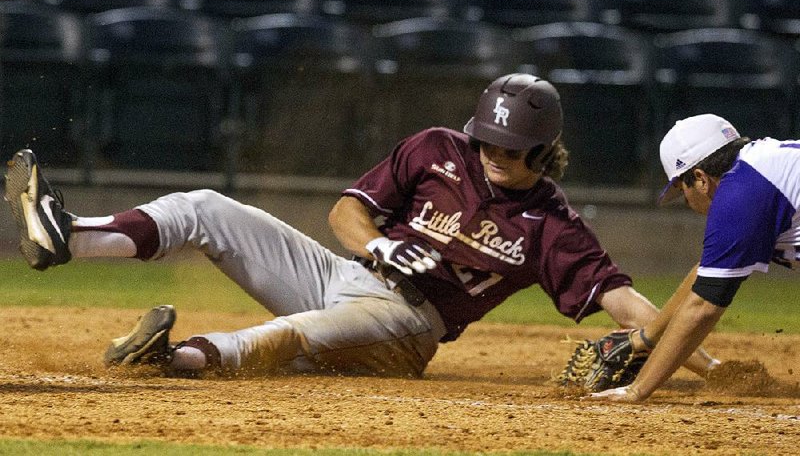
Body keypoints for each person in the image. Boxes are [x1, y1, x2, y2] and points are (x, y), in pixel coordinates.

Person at [4, 73, 717, 378]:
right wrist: (378, 242)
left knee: (292, 338)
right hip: (345, 271)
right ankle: (74, 234)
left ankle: (172, 360)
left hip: (408, 324)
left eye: (511, 149)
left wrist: (693, 355)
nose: (494, 155)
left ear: (542, 150)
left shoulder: (550, 222)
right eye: (488, 142)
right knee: (207, 207)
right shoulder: (437, 147)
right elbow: (346, 210)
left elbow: (619, 296)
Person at [588, 113, 800, 402]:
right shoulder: (758, 170)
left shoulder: (738, 194)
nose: (687, 202)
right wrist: (646, 337)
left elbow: (702, 307)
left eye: (682, 190)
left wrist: (637, 389)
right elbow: (706, 273)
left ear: (700, 178)